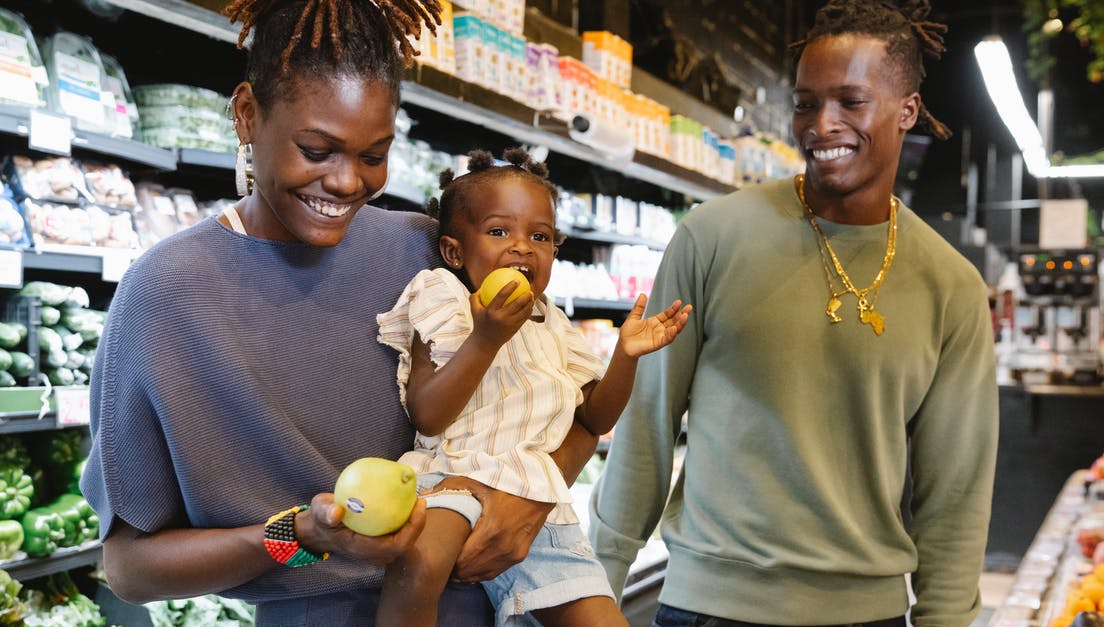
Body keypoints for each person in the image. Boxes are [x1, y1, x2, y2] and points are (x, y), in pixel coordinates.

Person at [80, 1, 600, 624]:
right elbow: (131, 568)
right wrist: (299, 534)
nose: (348, 182)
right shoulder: (166, 294)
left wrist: (530, 498)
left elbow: (563, 405)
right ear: (248, 114)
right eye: (317, 149)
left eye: (373, 155)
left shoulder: (427, 251)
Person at [588, 1, 998, 626]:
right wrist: (590, 589)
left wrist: (945, 620)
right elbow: (646, 425)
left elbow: (957, 490)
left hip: (868, 613)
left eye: (851, 102)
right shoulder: (711, 238)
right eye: (806, 102)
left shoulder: (952, 287)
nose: (821, 124)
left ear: (907, 111)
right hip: (708, 608)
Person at [373, 148, 690, 627]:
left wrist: (625, 358)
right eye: (499, 231)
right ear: (455, 251)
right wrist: (486, 338)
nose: (522, 246)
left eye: (539, 236)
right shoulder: (443, 296)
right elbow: (427, 413)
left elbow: (595, 419)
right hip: (452, 480)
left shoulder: (555, 324)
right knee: (418, 565)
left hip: (539, 499)